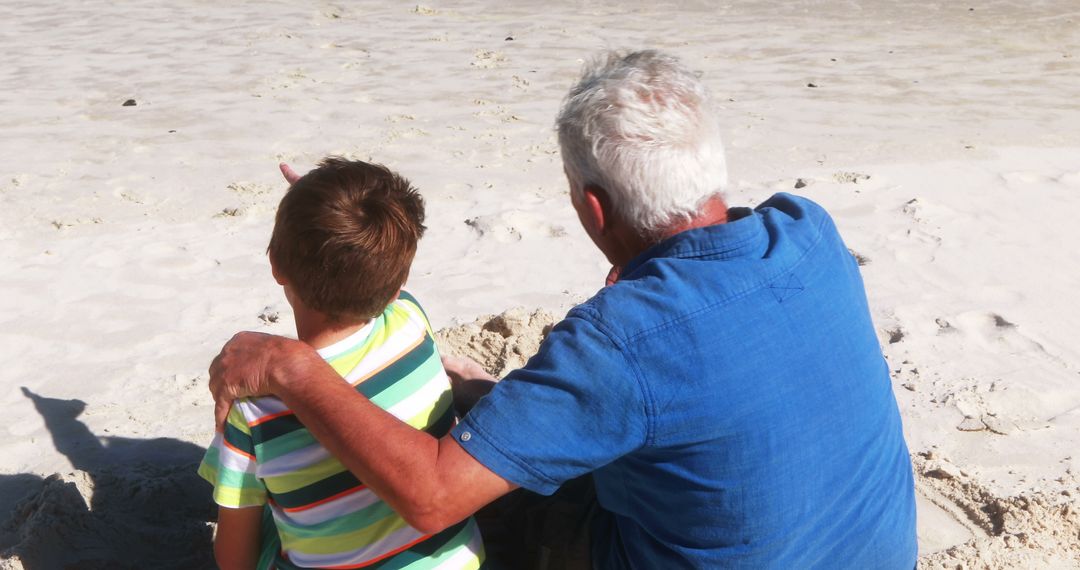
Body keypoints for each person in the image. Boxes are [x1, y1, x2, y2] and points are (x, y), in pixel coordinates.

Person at [209, 51, 917, 568]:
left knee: (513, 503)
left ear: (593, 207)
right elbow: (710, 373)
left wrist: (292, 367)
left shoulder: (619, 341)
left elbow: (428, 497)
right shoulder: (807, 230)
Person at [198, 158, 484, 570]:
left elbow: (234, 558)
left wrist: (313, 218)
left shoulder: (255, 411)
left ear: (275, 264)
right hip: (458, 563)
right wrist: (351, 223)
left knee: (257, 513)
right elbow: (388, 278)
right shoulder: (411, 321)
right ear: (396, 285)